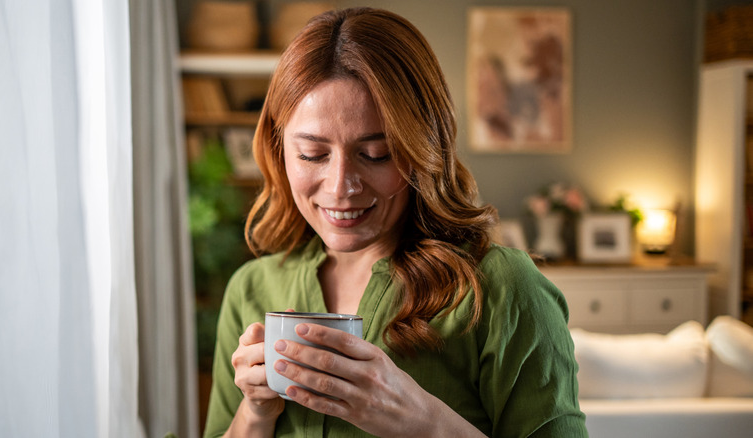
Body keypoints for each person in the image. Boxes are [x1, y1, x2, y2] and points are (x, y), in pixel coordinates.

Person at [203, 7, 588, 438]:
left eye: (377, 153)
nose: (341, 187)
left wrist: (423, 421)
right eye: (313, 154)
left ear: (424, 147)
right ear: (280, 152)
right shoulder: (251, 289)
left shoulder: (501, 288)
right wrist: (255, 414)